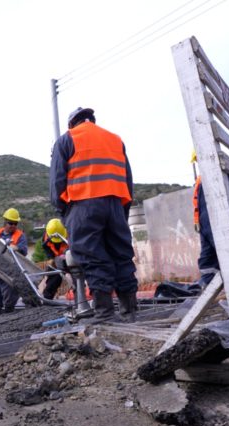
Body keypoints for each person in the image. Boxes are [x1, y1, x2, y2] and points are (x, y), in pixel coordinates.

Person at [49, 107, 138, 321]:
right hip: (116, 204)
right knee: (121, 256)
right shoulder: (115, 140)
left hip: (83, 205)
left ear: (72, 123)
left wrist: (65, 213)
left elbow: (57, 185)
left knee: (93, 257)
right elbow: (128, 181)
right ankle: (130, 311)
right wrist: (121, 213)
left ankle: (105, 312)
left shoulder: (66, 140)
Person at [193, 170, 229, 288]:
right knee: (214, 257)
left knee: (225, 254)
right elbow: (198, 204)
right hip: (212, 221)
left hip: (217, 220)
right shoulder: (204, 177)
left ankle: (228, 286)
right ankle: (213, 287)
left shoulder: (222, 170)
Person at [0, 208, 28, 316]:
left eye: (15, 223)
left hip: (11, 271)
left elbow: (24, 250)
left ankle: (9, 319)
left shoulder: (20, 236)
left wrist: (17, 248)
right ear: (5, 221)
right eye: (11, 223)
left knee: (9, 299)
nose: (13, 226)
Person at [41, 218, 69, 300]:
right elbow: (46, 247)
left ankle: (80, 298)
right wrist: (52, 258)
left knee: (76, 278)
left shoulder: (70, 234)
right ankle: (47, 299)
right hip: (56, 259)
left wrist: (65, 256)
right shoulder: (46, 237)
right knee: (54, 276)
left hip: (69, 257)